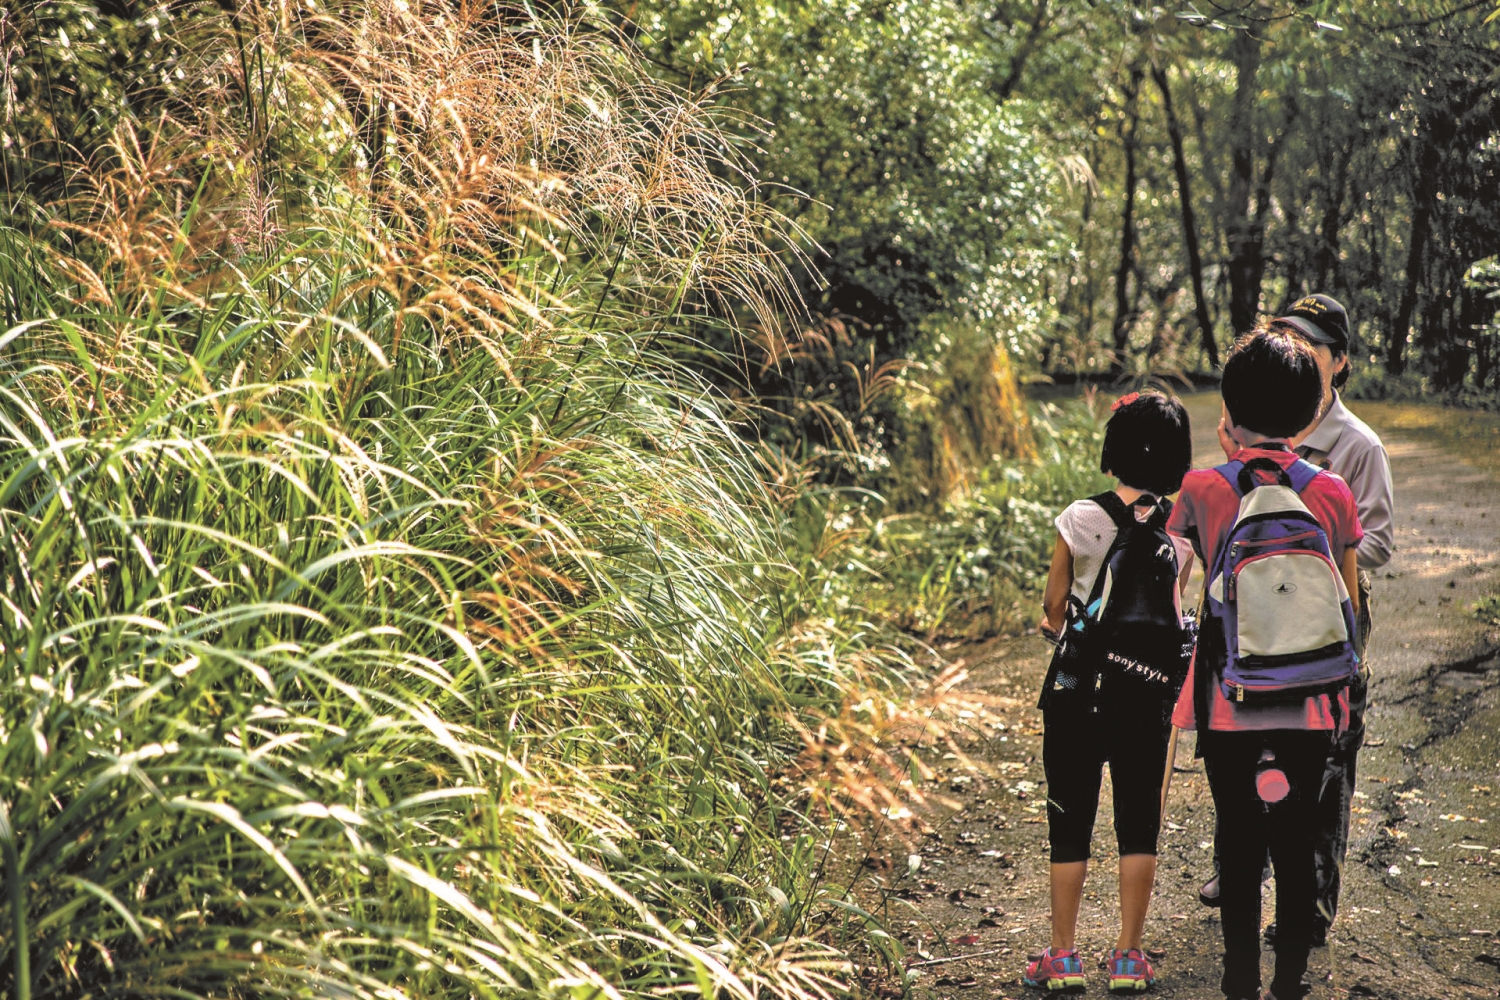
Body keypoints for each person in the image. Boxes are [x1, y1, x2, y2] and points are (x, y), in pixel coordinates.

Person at [1170, 330, 1363, 1000]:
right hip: (1312, 705)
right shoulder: (1333, 492)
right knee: (1297, 839)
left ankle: (1239, 981)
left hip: (1230, 702)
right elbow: (1349, 601)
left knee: (1241, 840)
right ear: (1312, 412)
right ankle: (1289, 983)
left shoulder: (1202, 487)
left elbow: (1179, 582)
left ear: (1229, 409)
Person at [1199, 294, 1395, 946]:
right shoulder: (1251, 412)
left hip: (1328, 610)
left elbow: (1378, 543)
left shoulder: (1357, 447)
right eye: (1284, 335)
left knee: (1327, 754)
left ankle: (1308, 902)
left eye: (1310, 341)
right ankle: (1239, 870)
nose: (1295, 348)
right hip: (1247, 607)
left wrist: (1311, 543)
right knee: (1237, 725)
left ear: (1338, 363)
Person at [1027, 390, 1195, 994]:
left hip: (1078, 692)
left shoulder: (1080, 518)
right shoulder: (1180, 532)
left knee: (1069, 819)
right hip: (1146, 696)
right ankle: (1128, 956)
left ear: (1113, 453)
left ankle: (1063, 957)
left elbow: (1054, 607)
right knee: (1138, 823)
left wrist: (1058, 623)